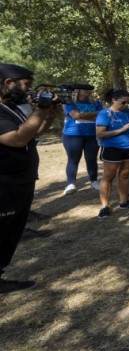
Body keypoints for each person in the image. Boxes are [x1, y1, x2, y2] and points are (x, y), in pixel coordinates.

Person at [0, 64, 62, 293]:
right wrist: (39, 109)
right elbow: (16, 139)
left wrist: (48, 115)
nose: (29, 90)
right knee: (3, 230)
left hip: (19, 181)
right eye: (26, 84)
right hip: (4, 183)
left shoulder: (10, 107)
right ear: (8, 83)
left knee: (10, 232)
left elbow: (32, 133)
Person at [95, 89, 129, 218]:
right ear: (114, 100)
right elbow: (100, 133)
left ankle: (124, 202)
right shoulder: (105, 114)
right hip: (112, 148)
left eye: (128, 102)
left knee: (124, 175)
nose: (126, 105)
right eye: (123, 102)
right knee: (108, 177)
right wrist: (122, 130)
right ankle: (105, 206)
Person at [61, 83, 102, 194]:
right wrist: (94, 114)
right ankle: (71, 184)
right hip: (72, 135)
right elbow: (76, 116)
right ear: (78, 90)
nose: (88, 91)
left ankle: (94, 181)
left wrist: (84, 115)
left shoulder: (96, 103)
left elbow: (101, 117)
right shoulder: (69, 102)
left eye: (90, 89)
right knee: (73, 159)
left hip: (92, 135)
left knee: (92, 159)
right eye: (85, 89)